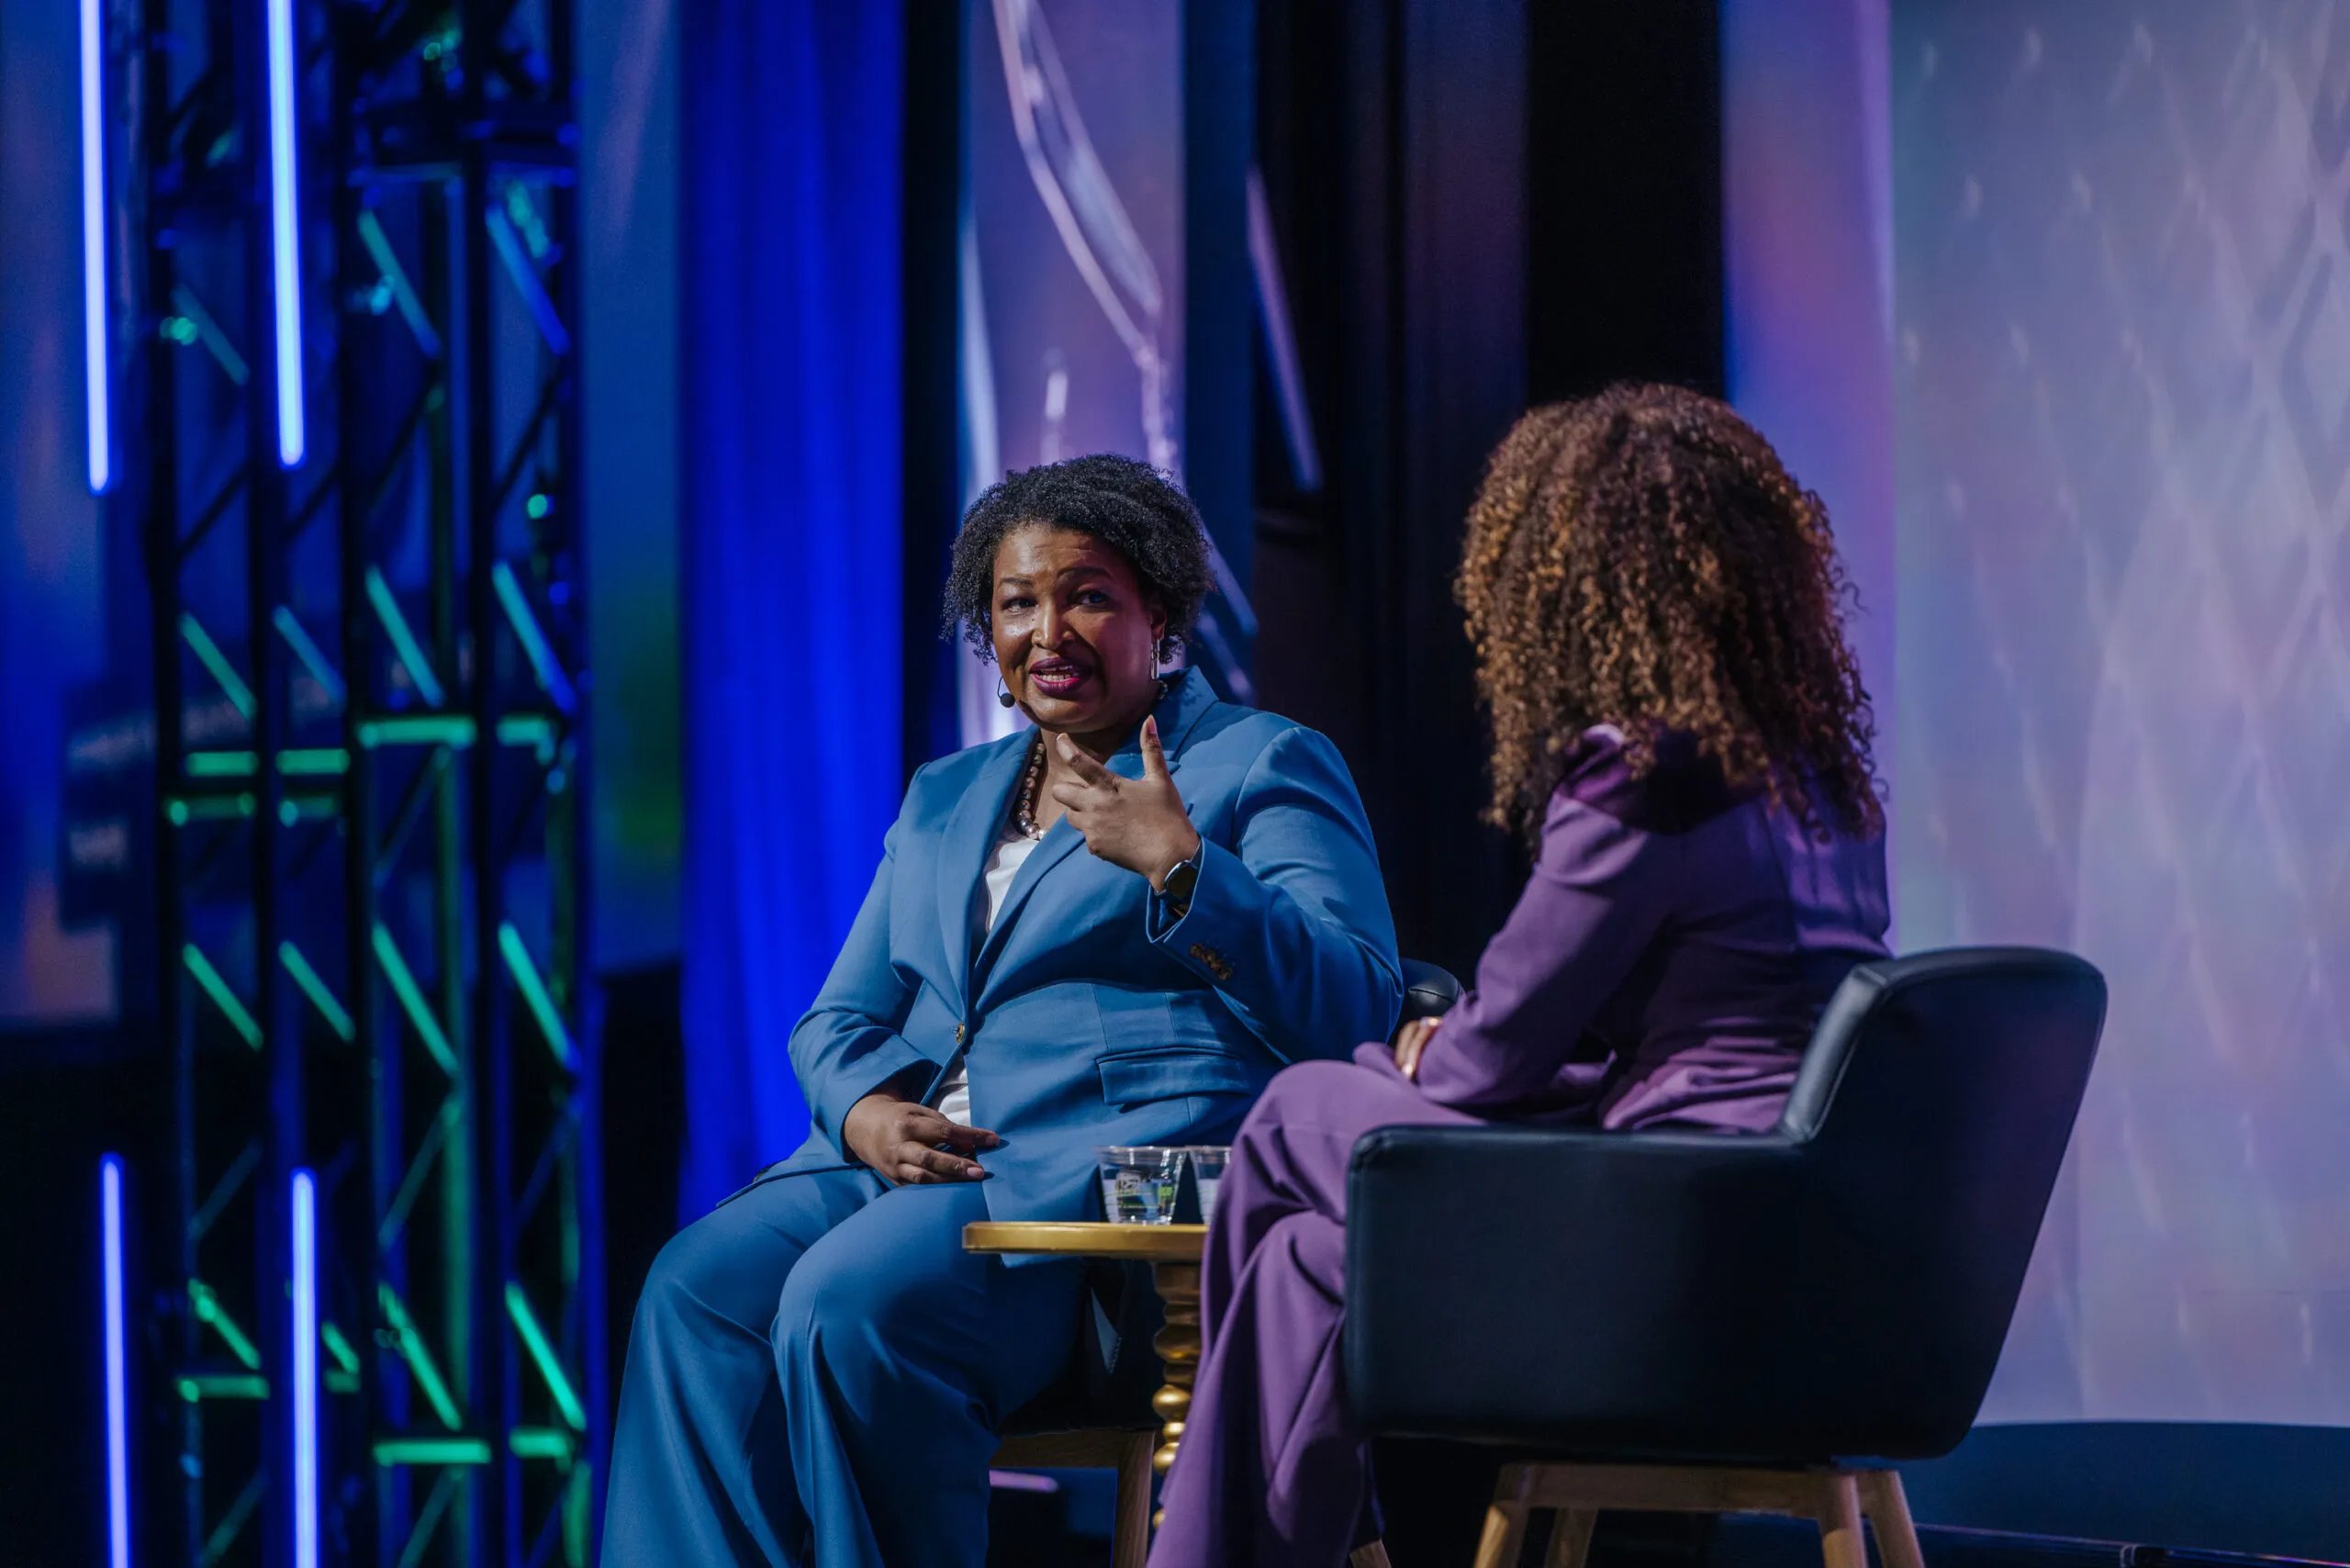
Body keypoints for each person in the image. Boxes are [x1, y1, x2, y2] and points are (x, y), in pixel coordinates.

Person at [602, 454, 1403, 1568]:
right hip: (907, 1170)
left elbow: (1356, 1002)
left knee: (847, 1302)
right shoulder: (947, 793)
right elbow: (835, 1020)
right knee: (695, 1291)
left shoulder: (1260, 763)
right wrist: (866, 1114)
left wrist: (1181, 867)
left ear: (1157, 613)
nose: (1048, 630)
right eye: (1017, 603)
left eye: (1087, 596)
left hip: (1098, 1218)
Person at [1147, 385, 1893, 1568]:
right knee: (1304, 1271)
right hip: (1802, 1263)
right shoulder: (1814, 779)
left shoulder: (1647, 776)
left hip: (1675, 1256)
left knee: (1297, 1108)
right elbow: (1727, 1034)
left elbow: (1490, 1060)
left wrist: (1421, 1052)